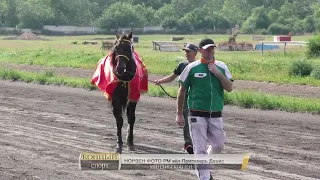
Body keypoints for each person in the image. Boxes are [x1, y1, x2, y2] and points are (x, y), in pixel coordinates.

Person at [176, 38, 233, 180]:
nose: (210, 51)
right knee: (199, 149)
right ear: (200, 50)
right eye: (207, 49)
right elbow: (182, 91)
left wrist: (217, 73)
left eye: (212, 48)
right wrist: (179, 114)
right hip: (196, 114)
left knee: (219, 145)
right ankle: (205, 177)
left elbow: (229, 88)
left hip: (216, 114)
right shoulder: (191, 68)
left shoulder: (221, 66)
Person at [154, 43, 198, 154]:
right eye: (185, 51)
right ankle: (188, 144)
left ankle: (197, 143)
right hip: (184, 98)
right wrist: (160, 81)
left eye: (188, 51)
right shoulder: (182, 65)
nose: (186, 53)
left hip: (197, 99)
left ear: (195, 53)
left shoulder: (200, 66)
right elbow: (172, 77)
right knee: (187, 122)